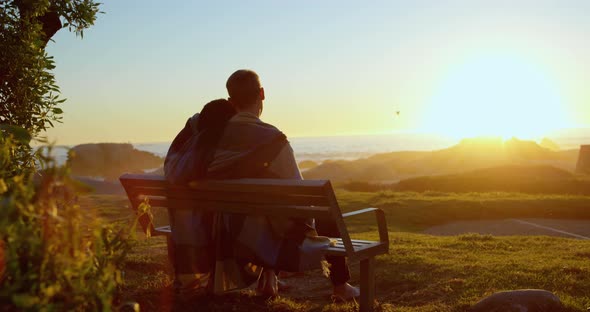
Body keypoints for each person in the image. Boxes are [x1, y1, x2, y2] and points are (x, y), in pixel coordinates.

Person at [206, 69, 360, 300]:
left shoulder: (214, 138)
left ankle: (269, 278)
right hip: (263, 230)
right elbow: (299, 196)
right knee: (324, 215)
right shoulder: (272, 139)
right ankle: (341, 286)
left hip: (228, 229)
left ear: (230, 101)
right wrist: (307, 223)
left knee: (266, 212)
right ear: (262, 93)